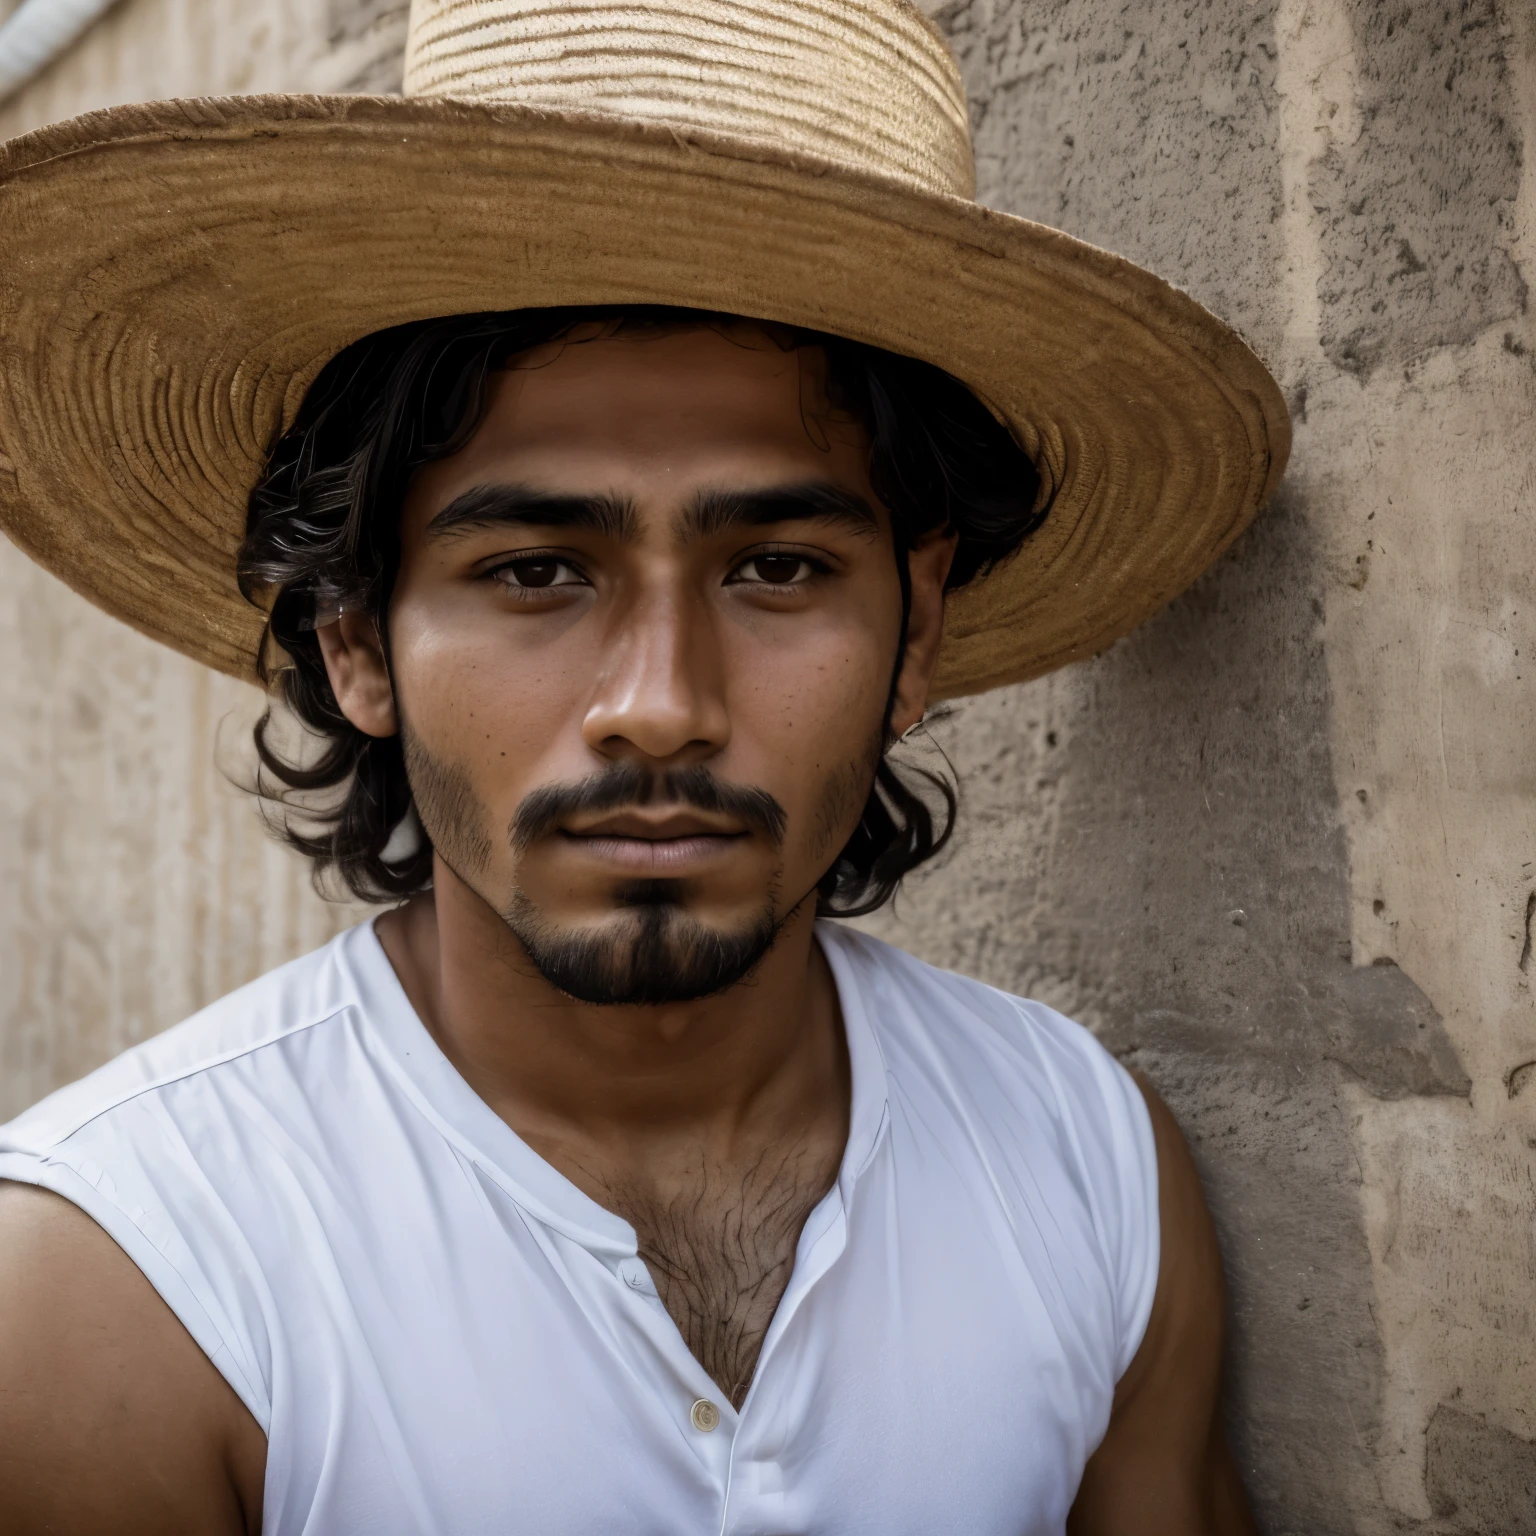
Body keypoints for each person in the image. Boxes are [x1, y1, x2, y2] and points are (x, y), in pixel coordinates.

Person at [0, 2, 1288, 1533]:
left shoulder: (1087, 1165)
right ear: (354, 639)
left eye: (782, 567)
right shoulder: (119, 1282)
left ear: (917, 627)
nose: (661, 706)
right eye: (539, 571)